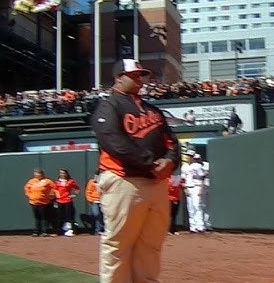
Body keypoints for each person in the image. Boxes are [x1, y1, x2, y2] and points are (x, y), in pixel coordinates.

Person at [92, 58, 180, 283]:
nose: (140, 79)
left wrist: (170, 161)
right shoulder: (109, 105)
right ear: (118, 77)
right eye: (134, 75)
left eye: (141, 75)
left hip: (156, 183)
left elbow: (171, 141)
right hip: (124, 181)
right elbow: (113, 141)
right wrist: (151, 164)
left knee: (151, 244)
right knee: (118, 243)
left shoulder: (153, 110)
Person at [23, 168, 55, 237]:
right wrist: (29, 195)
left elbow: (54, 188)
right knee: (37, 217)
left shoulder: (47, 181)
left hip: (44, 203)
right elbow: (26, 188)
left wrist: (50, 196)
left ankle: (44, 232)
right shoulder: (31, 181)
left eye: (38, 173)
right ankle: (36, 231)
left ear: (42, 174)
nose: (37, 175)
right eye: (36, 173)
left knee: (44, 218)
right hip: (33, 202)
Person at [182, 149, 206, 233]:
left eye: (189, 156)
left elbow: (202, 177)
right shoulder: (184, 166)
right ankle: (193, 227)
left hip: (196, 186)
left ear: (193, 157)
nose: (188, 157)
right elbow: (183, 179)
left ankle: (200, 226)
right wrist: (185, 189)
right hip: (188, 187)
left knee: (197, 206)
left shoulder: (197, 166)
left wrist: (201, 188)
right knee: (190, 208)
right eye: (187, 155)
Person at [54, 168, 80, 237]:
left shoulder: (70, 181)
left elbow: (77, 188)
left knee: (69, 216)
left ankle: (71, 230)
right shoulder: (57, 181)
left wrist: (73, 195)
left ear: (66, 174)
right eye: (61, 173)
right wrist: (57, 195)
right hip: (59, 201)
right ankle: (59, 231)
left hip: (67, 201)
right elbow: (55, 189)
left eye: (63, 173)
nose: (62, 174)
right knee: (59, 216)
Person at [86, 171, 104, 235]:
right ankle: (97, 229)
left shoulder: (103, 182)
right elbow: (88, 191)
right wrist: (90, 200)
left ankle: (99, 229)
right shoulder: (91, 182)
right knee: (96, 214)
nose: (96, 177)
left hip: (102, 201)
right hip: (94, 201)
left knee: (102, 215)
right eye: (96, 176)